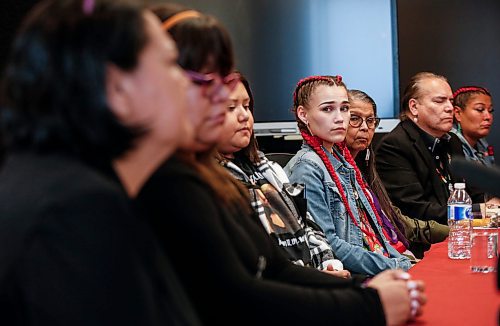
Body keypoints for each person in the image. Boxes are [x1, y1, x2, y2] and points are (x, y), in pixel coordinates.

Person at [135, 6, 425, 325]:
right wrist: (369, 302)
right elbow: (237, 296)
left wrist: (366, 290)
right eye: (203, 80)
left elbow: (275, 265)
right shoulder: (166, 185)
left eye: (225, 80)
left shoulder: (211, 179)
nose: (223, 99)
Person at [0, 0, 201, 324]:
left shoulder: (54, 183)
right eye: (171, 63)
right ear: (118, 88)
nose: (186, 81)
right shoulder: (78, 209)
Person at [217, 74, 348, 277]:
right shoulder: (212, 181)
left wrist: (328, 263)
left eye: (247, 106)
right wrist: (319, 280)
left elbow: (308, 226)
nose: (244, 116)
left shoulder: (269, 168)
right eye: (231, 108)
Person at [284, 75, 413, 276]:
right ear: (303, 114)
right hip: (352, 278)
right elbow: (331, 245)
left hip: (376, 266)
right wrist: (399, 266)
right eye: (328, 109)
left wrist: (404, 261)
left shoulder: (342, 161)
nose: (339, 118)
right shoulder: (307, 168)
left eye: (344, 108)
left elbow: (374, 230)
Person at [346, 89, 449, 258]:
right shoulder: (393, 146)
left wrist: (452, 232)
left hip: (394, 253)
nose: (365, 127)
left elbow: (395, 219)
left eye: (370, 120)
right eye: (355, 119)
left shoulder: (364, 165)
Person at [375, 72, 484, 225]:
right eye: (440, 101)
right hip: (424, 242)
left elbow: (471, 192)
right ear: (414, 107)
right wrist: (478, 211)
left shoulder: (452, 141)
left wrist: (488, 209)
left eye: (451, 101)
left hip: (459, 232)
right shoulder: (394, 146)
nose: (449, 108)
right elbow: (414, 209)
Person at [451, 86, 495, 167]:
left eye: (490, 110)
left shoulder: (483, 145)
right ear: (458, 113)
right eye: (480, 109)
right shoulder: (449, 148)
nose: (488, 117)